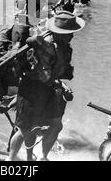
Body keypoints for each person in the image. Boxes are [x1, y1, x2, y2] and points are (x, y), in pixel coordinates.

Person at [7, 12, 85, 161]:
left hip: (47, 89)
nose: (72, 36)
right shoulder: (45, 47)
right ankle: (10, 159)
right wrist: (59, 81)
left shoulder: (63, 46)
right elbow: (45, 76)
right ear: (60, 33)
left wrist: (60, 81)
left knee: (56, 125)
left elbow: (54, 74)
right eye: (69, 33)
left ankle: (43, 157)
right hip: (31, 89)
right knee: (24, 130)